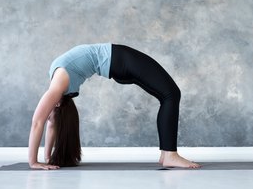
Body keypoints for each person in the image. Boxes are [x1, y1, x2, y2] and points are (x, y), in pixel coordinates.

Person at [28, 43, 200, 170]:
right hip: (120, 59)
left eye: (49, 113)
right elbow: (44, 124)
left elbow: (44, 123)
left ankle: (166, 154)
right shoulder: (58, 84)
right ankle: (169, 154)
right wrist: (38, 161)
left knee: (167, 95)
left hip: (117, 61)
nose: (48, 114)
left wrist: (43, 158)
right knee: (171, 94)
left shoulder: (57, 86)